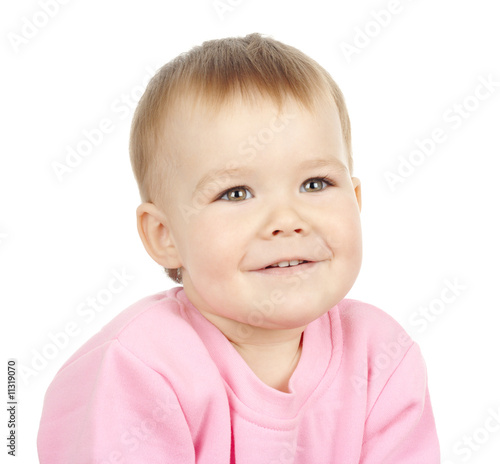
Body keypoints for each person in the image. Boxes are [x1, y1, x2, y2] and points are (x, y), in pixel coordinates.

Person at [37, 32, 440, 463]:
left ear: (356, 201)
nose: (287, 220)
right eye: (236, 193)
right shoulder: (140, 367)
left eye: (315, 184)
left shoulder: (381, 356)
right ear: (164, 235)